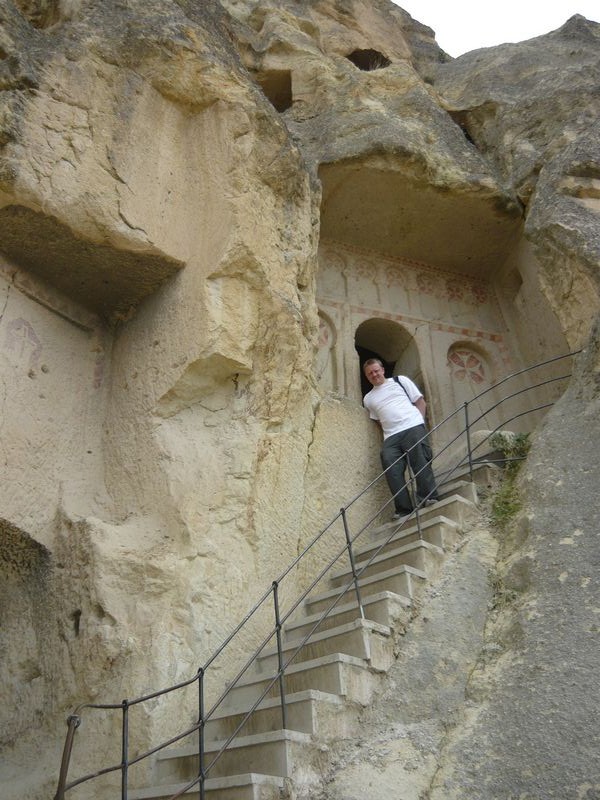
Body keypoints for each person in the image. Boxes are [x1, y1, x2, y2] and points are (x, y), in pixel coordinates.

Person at [363, 358, 438, 520]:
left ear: (383, 370)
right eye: (370, 373)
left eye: (376, 371)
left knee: (420, 462)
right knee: (392, 469)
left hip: (413, 426)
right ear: (367, 377)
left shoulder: (400, 381)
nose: (374, 375)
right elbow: (377, 420)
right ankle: (404, 509)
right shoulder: (368, 399)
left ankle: (428, 497)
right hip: (391, 436)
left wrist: (419, 422)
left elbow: (420, 402)